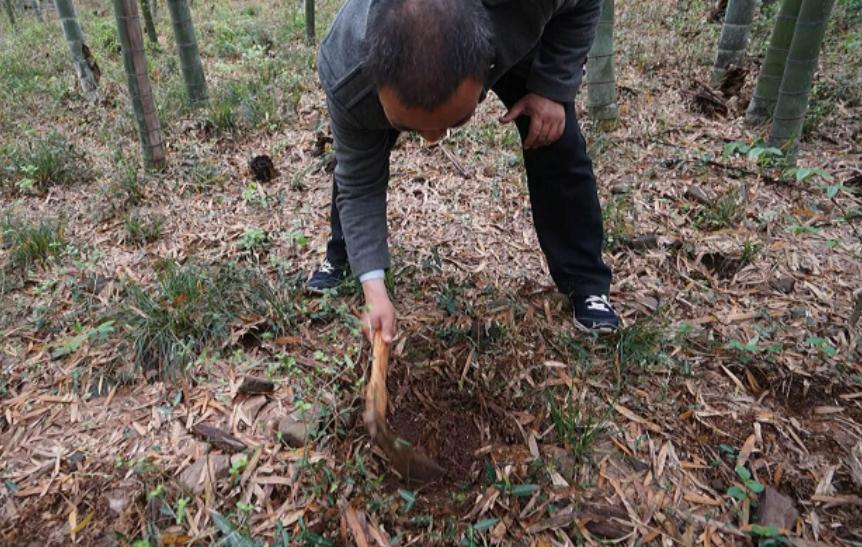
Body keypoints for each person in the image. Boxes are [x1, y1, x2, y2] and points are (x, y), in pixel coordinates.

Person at [307, 0, 619, 342]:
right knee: (357, 158)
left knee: (557, 139)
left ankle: (586, 283)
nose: (432, 141)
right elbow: (359, 182)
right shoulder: (347, 76)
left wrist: (554, 86)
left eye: (455, 121)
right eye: (410, 126)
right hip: (372, 75)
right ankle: (345, 256)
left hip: (505, 32)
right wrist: (373, 287)